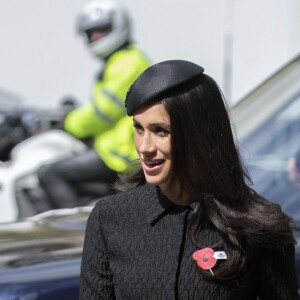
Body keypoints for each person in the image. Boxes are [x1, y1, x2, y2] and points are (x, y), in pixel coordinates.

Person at [79, 60, 299, 299]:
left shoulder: (260, 228)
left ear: (199, 136)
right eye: (139, 129)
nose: (144, 147)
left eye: (161, 131)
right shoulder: (109, 219)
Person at [37, 0, 150, 208]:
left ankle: (78, 233)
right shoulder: (120, 61)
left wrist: (68, 123)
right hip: (114, 147)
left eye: (101, 29)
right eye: (90, 32)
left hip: (120, 152)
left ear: (118, 24)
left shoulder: (128, 62)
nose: (96, 36)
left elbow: (103, 111)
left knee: (49, 173)